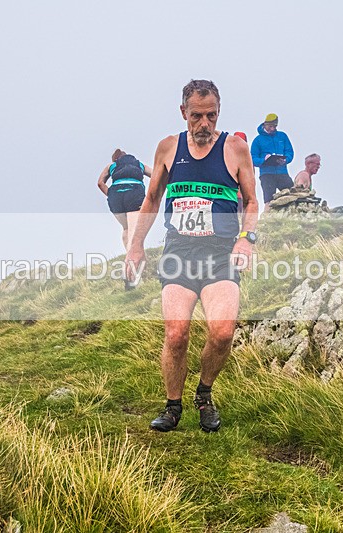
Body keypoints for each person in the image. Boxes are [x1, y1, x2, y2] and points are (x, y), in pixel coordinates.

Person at [126, 79, 259, 432]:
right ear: (183, 113)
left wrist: (247, 238)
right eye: (197, 116)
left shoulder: (235, 149)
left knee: (222, 333)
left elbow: (250, 201)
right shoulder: (168, 148)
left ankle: (204, 394)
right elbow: (152, 199)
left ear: (219, 112)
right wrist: (136, 245)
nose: (204, 124)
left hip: (220, 253)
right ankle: (173, 406)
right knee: (176, 334)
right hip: (180, 251)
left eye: (211, 116)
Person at [97, 149, 152, 288]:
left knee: (127, 230)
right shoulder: (139, 164)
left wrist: (111, 194)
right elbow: (156, 175)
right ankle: (131, 275)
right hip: (134, 193)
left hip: (115, 197)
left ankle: (134, 267)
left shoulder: (112, 166)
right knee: (134, 235)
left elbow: (100, 183)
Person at [250, 113, 295, 211]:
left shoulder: (282, 136)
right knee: (269, 201)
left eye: (274, 126)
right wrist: (264, 160)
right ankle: (265, 221)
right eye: (270, 126)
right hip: (267, 175)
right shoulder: (257, 140)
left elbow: (289, 152)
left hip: (282, 173)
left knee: (293, 195)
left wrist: (285, 159)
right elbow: (252, 159)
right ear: (265, 124)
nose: (272, 128)